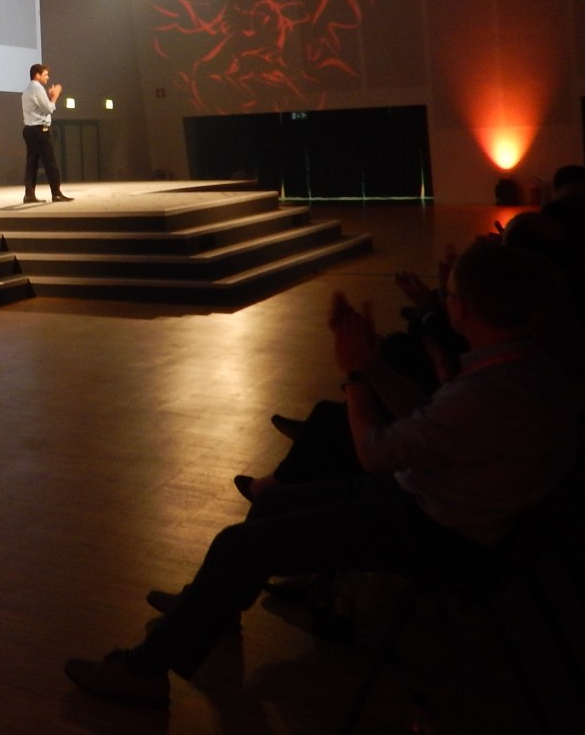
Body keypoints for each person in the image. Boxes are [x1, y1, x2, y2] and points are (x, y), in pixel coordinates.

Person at [63, 240, 580, 710]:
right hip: (445, 508)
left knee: (238, 544)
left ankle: (145, 671)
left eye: (448, 293)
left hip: (442, 534)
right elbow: (425, 420)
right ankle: (211, 608)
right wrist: (375, 366)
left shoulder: (492, 394)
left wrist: (354, 375)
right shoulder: (522, 368)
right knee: (270, 505)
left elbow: (374, 452)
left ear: (463, 307)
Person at [21, 63, 71, 203]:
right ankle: (56, 193)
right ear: (37, 75)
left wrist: (48, 98)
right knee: (50, 163)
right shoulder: (37, 88)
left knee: (32, 164)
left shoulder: (27, 89)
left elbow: (41, 107)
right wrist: (55, 96)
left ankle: (29, 194)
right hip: (39, 130)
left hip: (29, 130)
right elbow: (48, 109)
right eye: (45, 74)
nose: (48, 77)